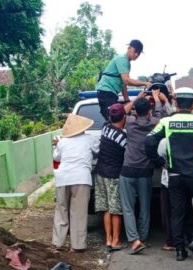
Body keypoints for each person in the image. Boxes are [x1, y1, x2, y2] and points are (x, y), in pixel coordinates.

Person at [145, 87, 193, 262]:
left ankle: (179, 250)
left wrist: (157, 160)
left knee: (177, 212)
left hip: (175, 175)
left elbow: (149, 140)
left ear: (176, 102)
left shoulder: (167, 122)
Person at [119, 90, 168, 255]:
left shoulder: (130, 123)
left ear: (135, 111)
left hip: (127, 170)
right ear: (149, 111)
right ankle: (143, 237)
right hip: (145, 171)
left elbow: (122, 111)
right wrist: (156, 97)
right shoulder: (154, 122)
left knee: (128, 207)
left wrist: (138, 97)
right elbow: (160, 112)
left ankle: (134, 240)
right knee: (145, 207)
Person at [52, 114, 99, 252]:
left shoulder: (62, 141)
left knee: (61, 210)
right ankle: (77, 245)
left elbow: (57, 157)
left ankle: (58, 243)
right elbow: (98, 151)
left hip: (63, 178)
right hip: (81, 178)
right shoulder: (90, 139)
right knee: (78, 212)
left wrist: (57, 144)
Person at [94, 103, 129, 251]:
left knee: (106, 208)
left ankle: (108, 239)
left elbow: (119, 115)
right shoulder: (123, 138)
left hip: (100, 173)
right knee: (116, 209)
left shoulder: (105, 128)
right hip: (114, 175)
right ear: (124, 118)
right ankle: (116, 240)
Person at [95, 40, 152, 123]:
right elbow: (127, 80)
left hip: (109, 92)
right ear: (129, 48)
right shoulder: (122, 59)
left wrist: (126, 100)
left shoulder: (127, 63)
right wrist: (144, 83)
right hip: (107, 91)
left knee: (113, 119)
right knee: (115, 118)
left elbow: (124, 83)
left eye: (138, 53)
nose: (136, 55)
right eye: (135, 51)